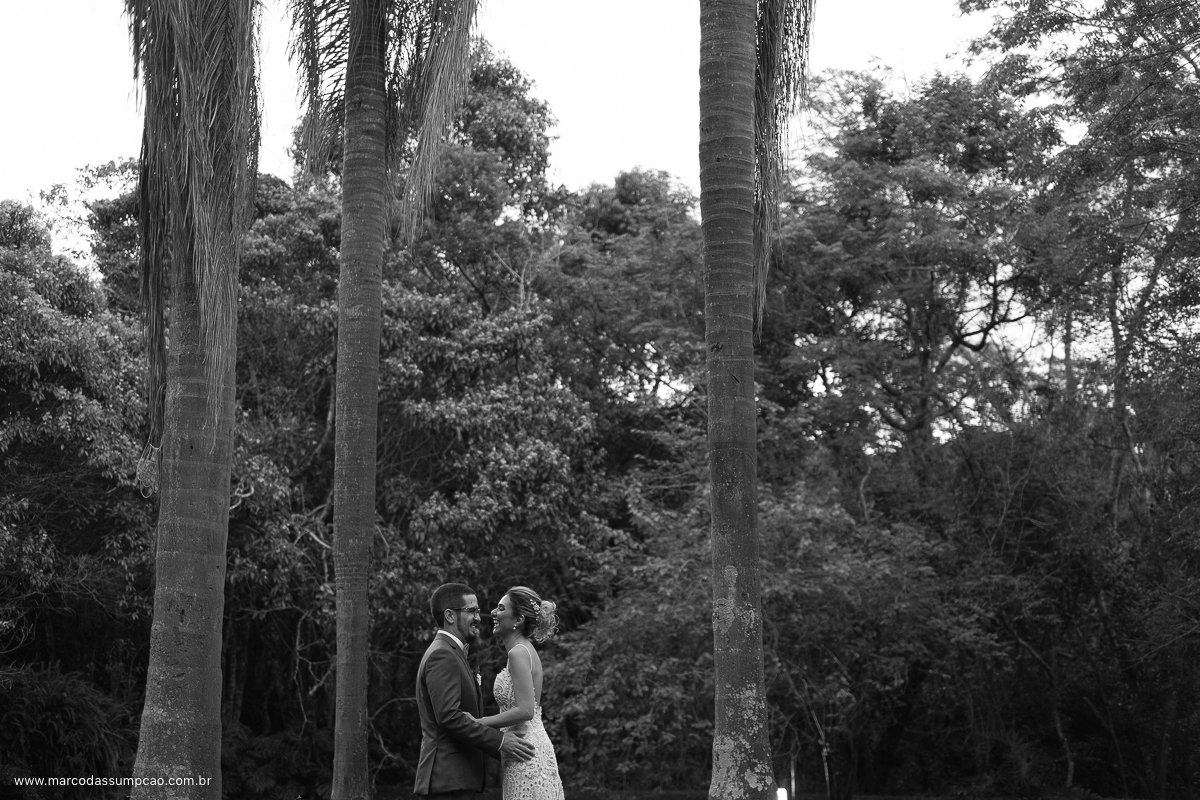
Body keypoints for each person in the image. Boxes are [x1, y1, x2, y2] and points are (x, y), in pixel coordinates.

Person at [414, 583, 536, 800]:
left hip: (456, 778)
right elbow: (449, 717)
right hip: (448, 778)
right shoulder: (442, 655)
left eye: (478, 611)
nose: (479, 617)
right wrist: (500, 741)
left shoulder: (453, 653)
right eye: (472, 611)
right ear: (450, 616)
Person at [474, 586, 566, 800]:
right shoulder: (525, 650)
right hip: (524, 746)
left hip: (526, 751)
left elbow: (526, 710)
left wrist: (479, 723)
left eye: (500, 608)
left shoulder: (518, 653)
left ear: (518, 620)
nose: (494, 613)